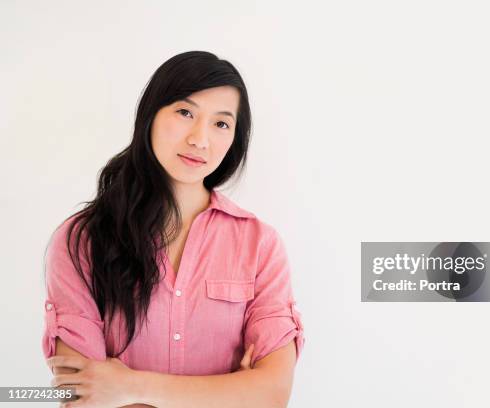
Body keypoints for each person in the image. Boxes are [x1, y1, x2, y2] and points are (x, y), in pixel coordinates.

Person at [42, 50, 305, 407]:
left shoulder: (260, 244)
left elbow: (272, 394)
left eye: (221, 123)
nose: (200, 139)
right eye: (185, 113)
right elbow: (82, 396)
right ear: (150, 114)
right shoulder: (82, 241)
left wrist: (130, 386)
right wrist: (231, 392)